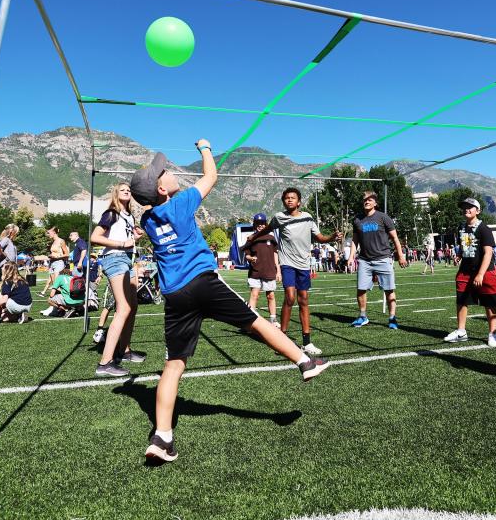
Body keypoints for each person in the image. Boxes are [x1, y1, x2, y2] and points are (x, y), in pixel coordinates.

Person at [130, 141, 330, 463]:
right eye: (163, 173)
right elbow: (211, 176)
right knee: (256, 322)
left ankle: (162, 437)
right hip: (203, 283)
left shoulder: (149, 220)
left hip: (175, 296)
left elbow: (152, 209)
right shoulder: (179, 203)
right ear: (160, 189)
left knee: (174, 365)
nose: (169, 172)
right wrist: (206, 148)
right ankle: (304, 362)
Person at [247, 187, 342, 355]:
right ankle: (282, 340)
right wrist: (253, 237)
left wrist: (332, 237)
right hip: (287, 263)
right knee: (290, 297)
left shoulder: (308, 218)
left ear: (299, 202)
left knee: (303, 299)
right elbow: (267, 229)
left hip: (303, 264)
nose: (289, 200)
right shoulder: (279, 217)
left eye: (293, 198)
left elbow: (319, 237)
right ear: (284, 201)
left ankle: (306, 342)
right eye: (286, 198)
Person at [89, 183, 144, 376]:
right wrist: (122, 243)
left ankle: (124, 351)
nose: (127, 191)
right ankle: (105, 363)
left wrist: (136, 236)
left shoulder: (128, 216)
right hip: (115, 258)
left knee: (133, 306)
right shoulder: (111, 213)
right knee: (124, 308)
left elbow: (128, 238)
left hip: (128, 259)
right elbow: (95, 237)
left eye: (129, 189)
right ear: (116, 194)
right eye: (123, 190)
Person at [443, 198, 496, 346]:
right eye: (464, 207)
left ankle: (493, 333)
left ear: (478, 210)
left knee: (489, 302)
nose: (466, 209)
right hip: (465, 270)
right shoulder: (461, 227)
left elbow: (488, 253)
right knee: (461, 300)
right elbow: (464, 246)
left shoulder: (484, 229)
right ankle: (461, 331)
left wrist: (481, 274)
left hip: (484, 270)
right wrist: (459, 256)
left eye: (470, 207)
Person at [349, 191, 407, 329]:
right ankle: (363, 316)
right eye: (365, 200)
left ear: (375, 202)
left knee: (389, 289)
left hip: (383, 258)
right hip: (364, 260)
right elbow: (354, 240)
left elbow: (395, 238)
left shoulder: (383, 217)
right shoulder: (357, 219)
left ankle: (392, 318)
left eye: (370, 199)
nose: (367, 201)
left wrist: (401, 255)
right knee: (361, 289)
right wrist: (351, 256)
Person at [241, 213, 281, 326]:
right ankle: (250, 320)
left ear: (266, 224)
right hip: (255, 272)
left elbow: (275, 255)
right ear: (255, 225)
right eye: (258, 224)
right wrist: (250, 258)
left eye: (262, 223)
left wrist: (278, 271)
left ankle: (273, 320)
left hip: (269, 271)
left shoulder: (271, 238)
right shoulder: (250, 238)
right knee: (254, 295)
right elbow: (247, 255)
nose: (260, 226)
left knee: (271, 296)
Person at [39, 227, 70, 297]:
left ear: (54, 232)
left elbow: (67, 254)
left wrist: (57, 257)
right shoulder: (52, 242)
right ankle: (57, 301)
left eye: (49, 233)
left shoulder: (61, 241)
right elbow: (54, 253)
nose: (48, 235)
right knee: (54, 284)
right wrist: (50, 255)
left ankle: (66, 299)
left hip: (59, 263)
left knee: (57, 282)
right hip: (52, 263)